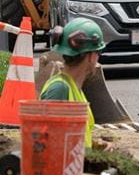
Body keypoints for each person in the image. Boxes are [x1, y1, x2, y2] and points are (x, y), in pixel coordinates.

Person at [40, 17, 109, 150]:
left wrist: (94, 148)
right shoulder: (59, 89)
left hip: (76, 167)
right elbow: (49, 145)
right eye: (98, 52)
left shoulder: (73, 88)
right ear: (91, 56)